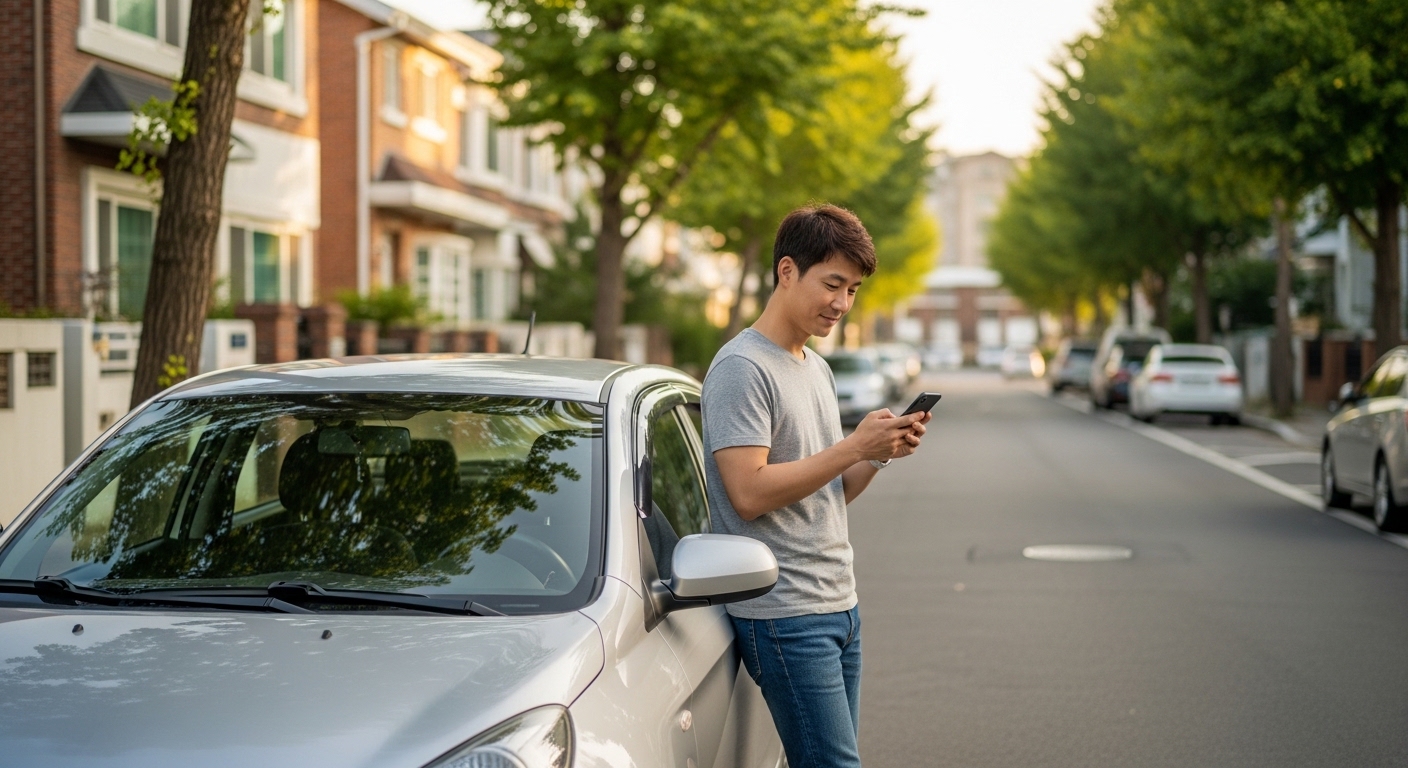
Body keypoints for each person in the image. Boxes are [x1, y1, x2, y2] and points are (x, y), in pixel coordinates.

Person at [702, 203, 930, 768]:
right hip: (784, 614)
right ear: (786, 272)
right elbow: (749, 494)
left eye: (852, 290)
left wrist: (877, 456)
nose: (842, 304)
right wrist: (853, 445)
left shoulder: (816, 366)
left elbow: (830, 492)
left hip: (839, 603)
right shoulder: (741, 368)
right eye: (832, 284)